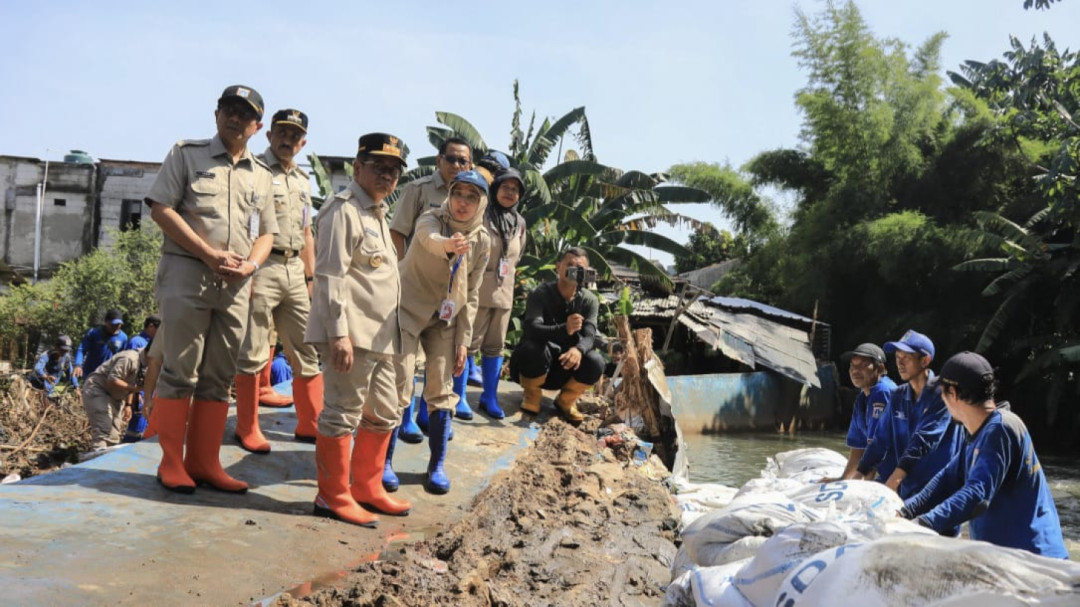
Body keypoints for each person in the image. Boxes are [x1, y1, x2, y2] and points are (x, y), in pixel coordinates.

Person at [144, 84, 278, 494]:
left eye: (244, 113)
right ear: (216, 114)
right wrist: (207, 253)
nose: (235, 118)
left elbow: (268, 233)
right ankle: (171, 463)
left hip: (237, 284)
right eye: (228, 109)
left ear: (257, 126)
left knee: (219, 375)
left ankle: (204, 462)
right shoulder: (186, 154)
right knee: (180, 370)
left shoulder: (261, 175)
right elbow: (161, 208)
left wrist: (251, 266)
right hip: (188, 273)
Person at [304, 132, 413, 527]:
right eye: (379, 167)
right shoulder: (342, 210)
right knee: (342, 414)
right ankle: (332, 495)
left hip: (383, 337)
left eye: (394, 171)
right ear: (357, 167)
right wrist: (338, 334)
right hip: (352, 334)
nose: (388, 176)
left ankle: (367, 487)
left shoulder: (378, 213)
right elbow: (331, 275)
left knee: (384, 413)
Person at [900, 351, 1069, 558]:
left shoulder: (1001, 429)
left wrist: (923, 523)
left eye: (942, 394)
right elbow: (946, 480)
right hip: (1009, 559)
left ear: (952, 394)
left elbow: (977, 495)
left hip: (1035, 561)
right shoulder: (977, 431)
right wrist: (904, 511)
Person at [390, 170, 491, 495]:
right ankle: (384, 462)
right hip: (408, 306)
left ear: (481, 203)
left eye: (471, 197)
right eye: (458, 194)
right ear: (449, 195)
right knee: (399, 381)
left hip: (445, 316)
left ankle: (436, 466)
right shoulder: (431, 218)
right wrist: (449, 244)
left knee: (441, 386)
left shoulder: (482, 241)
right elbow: (426, 240)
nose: (462, 203)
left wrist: (464, 341)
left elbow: (472, 293)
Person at [233, 108, 323, 454]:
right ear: (268, 135)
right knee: (253, 351)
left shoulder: (303, 180)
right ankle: (247, 427)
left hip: (294, 270)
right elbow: (243, 225)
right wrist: (250, 268)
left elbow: (306, 231)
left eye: (294, 135)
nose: (287, 140)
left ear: (303, 142)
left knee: (306, 348)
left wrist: (311, 277)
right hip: (263, 266)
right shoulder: (252, 170)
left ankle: (310, 423)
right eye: (281, 132)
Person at [390, 136, 473, 440]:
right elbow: (398, 233)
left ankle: (429, 415)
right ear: (438, 161)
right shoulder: (419, 190)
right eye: (450, 159)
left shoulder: (472, 197)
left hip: (447, 298)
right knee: (405, 365)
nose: (456, 165)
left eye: (463, 160)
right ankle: (405, 418)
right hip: (414, 290)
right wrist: (399, 273)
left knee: (439, 367)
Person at [856, 330, 962, 499]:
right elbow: (879, 442)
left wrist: (894, 480)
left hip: (939, 492)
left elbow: (924, 439)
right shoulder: (898, 396)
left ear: (925, 360)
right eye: (897, 357)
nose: (900, 363)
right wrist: (858, 477)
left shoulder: (944, 394)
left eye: (906, 357)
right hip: (907, 489)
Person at [510, 247, 605, 424]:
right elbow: (531, 328)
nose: (574, 271)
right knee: (531, 347)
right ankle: (532, 396)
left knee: (596, 361)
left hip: (564, 367)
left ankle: (566, 401)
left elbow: (590, 335)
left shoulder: (589, 300)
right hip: (535, 365)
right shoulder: (541, 293)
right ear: (558, 267)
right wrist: (564, 329)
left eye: (580, 269)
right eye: (570, 265)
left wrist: (578, 349)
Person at [468, 168, 527, 419]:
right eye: (505, 187)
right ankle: (459, 396)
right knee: (469, 344)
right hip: (478, 290)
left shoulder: (520, 224)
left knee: (495, 347)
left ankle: (489, 397)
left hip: (504, 292)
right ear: (495, 189)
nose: (510, 193)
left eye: (515, 190)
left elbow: (517, 255)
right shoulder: (481, 214)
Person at [825, 343, 896, 482]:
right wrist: (844, 479)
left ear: (880, 368)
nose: (855, 371)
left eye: (863, 365)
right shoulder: (862, 399)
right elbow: (858, 447)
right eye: (853, 365)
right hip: (887, 474)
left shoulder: (883, 392)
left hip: (900, 475)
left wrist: (863, 484)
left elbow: (877, 447)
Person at [81, 347, 145, 450]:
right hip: (99, 389)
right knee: (104, 429)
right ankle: (96, 462)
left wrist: (128, 405)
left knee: (114, 435)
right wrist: (135, 389)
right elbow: (113, 379)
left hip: (116, 396)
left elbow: (132, 383)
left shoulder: (146, 364)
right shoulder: (129, 359)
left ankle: (107, 462)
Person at [73, 309, 128, 378]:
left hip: (109, 376)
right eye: (113, 324)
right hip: (91, 374)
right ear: (106, 321)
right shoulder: (94, 333)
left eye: (118, 325)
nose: (115, 327)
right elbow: (82, 349)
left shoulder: (123, 338)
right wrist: (78, 365)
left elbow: (123, 357)